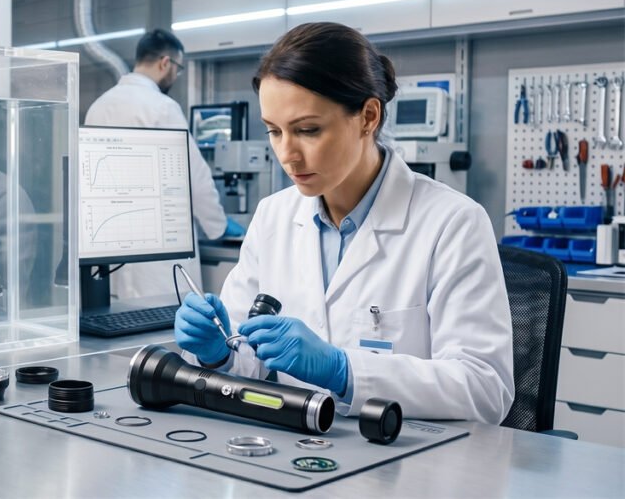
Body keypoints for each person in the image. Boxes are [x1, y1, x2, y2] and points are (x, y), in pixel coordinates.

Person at [174, 22, 514, 424]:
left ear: (368, 116)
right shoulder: (273, 216)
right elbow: (249, 360)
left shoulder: (453, 224)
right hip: (293, 447)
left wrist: (343, 370)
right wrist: (219, 352)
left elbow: (485, 388)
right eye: (274, 131)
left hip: (399, 463)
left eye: (307, 130)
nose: (287, 155)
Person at [84, 28, 244, 300]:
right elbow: (194, 177)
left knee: (123, 321)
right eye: (178, 69)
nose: (175, 76)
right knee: (167, 327)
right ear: (165, 63)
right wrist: (218, 226)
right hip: (159, 248)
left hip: (113, 245)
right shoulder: (161, 107)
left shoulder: (99, 106)